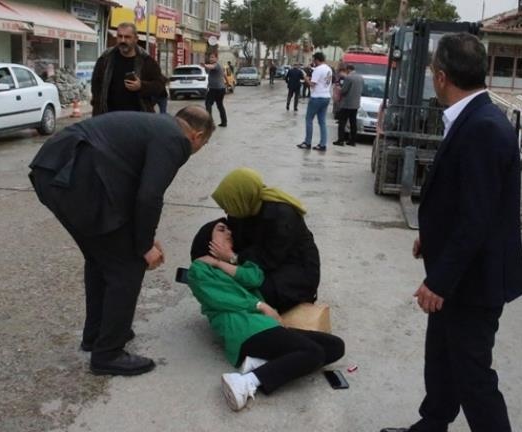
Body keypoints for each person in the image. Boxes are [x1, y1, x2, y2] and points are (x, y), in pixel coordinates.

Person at [380, 33, 522, 432]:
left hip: (472, 281)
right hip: (459, 271)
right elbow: (463, 198)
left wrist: (439, 281)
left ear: (441, 76)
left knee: (473, 376)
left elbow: (476, 219)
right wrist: (432, 236)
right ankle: (432, 424)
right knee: (441, 358)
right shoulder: (471, 117)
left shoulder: (483, 127)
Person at [28, 106, 215, 376]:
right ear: (197, 136)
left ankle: (97, 334)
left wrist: (145, 237)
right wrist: (144, 246)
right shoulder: (176, 140)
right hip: (76, 177)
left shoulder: (155, 126)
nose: (199, 149)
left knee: (100, 258)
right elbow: (149, 195)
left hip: (55, 169)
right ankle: (109, 353)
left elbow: (133, 192)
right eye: (204, 144)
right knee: (127, 265)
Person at [188, 219, 345, 411]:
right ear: (206, 239)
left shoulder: (229, 264)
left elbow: (255, 277)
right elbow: (219, 299)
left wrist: (225, 260)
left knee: (335, 346)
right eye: (221, 230)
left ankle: (261, 364)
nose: (229, 232)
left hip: (265, 325)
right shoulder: (198, 270)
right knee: (314, 353)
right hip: (244, 329)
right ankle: (246, 382)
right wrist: (260, 305)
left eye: (229, 229)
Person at [209, 168, 320, 313]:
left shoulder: (282, 216)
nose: (226, 211)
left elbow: (269, 258)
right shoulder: (244, 207)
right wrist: (219, 231)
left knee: (237, 292)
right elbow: (235, 233)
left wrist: (232, 258)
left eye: (228, 205)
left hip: (294, 273)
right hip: (265, 264)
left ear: (242, 197)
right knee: (218, 279)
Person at [90, 22, 166, 116]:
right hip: (109, 118)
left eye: (127, 37)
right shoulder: (105, 59)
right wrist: (97, 110)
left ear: (136, 39)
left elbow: (160, 85)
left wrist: (141, 86)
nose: (123, 40)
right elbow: (96, 86)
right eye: (120, 36)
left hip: (138, 119)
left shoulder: (147, 61)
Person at [297, 52, 333, 152]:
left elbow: (312, 84)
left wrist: (305, 78)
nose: (313, 62)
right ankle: (322, 144)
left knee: (309, 119)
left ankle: (307, 142)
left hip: (317, 97)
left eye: (313, 60)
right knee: (322, 122)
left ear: (317, 60)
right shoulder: (328, 69)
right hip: (326, 96)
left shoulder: (318, 69)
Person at [333, 64, 363, 147]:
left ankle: (341, 140)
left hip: (347, 103)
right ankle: (352, 141)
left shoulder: (348, 78)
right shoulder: (360, 77)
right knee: (353, 123)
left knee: (342, 122)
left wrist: (339, 89)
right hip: (356, 104)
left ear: (348, 70)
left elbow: (344, 91)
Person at [202, 53, 228, 127]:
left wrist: (205, 65)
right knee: (220, 105)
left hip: (215, 89)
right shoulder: (220, 66)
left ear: (216, 58)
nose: (211, 59)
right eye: (210, 57)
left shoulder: (216, 65)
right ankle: (224, 122)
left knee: (208, 104)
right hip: (220, 88)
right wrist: (227, 83)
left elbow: (211, 66)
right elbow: (224, 75)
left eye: (212, 57)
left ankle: (209, 123)